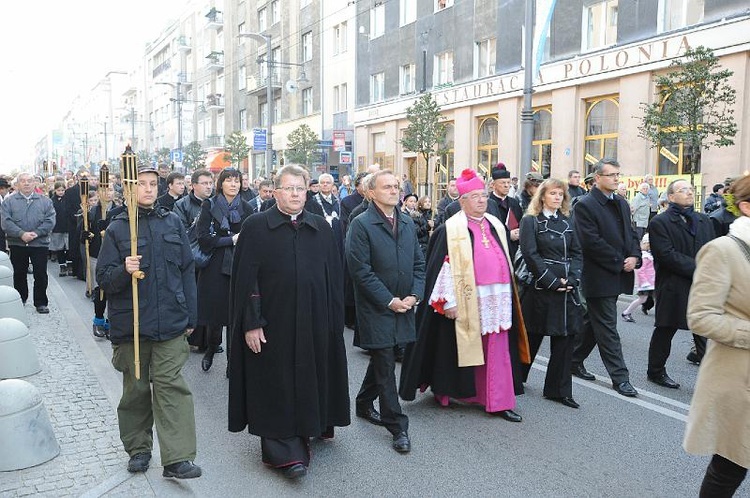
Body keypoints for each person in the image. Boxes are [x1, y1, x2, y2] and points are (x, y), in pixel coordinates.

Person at [228, 164, 350, 479]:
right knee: (276, 383)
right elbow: (246, 281)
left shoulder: (320, 228)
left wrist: (334, 322)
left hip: (313, 321)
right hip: (273, 323)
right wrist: (252, 322)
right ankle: (284, 449)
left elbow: (334, 278)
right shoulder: (256, 226)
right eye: (288, 188)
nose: (295, 194)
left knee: (310, 374)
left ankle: (310, 426)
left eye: (300, 188)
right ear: (276, 191)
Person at [96, 163, 201, 479]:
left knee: (172, 387)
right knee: (137, 391)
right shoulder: (117, 229)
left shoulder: (172, 223)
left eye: (153, 183)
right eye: (141, 183)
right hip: (132, 327)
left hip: (170, 321)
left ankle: (177, 458)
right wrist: (123, 270)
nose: (149, 188)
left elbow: (186, 270)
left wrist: (191, 316)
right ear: (129, 189)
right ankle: (139, 449)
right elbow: (103, 279)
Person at [400, 168, 530, 422]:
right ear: (462, 201)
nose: (482, 200)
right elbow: (441, 267)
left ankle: (497, 399)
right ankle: (448, 390)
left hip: (498, 299)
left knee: (497, 348)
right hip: (465, 300)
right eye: (475, 196)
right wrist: (448, 301)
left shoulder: (495, 224)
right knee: (453, 347)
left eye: (483, 195)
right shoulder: (450, 229)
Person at [347, 170, 425, 453]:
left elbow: (418, 262)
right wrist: (389, 300)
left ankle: (363, 402)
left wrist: (415, 294)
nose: (394, 191)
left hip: (405, 304)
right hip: (376, 307)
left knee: (386, 354)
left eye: (397, 186)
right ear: (371, 192)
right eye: (387, 187)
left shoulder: (406, 221)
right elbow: (360, 271)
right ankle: (397, 426)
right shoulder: (361, 224)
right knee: (385, 360)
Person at [683, 175, 750, 497]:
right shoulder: (723, 250)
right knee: (730, 467)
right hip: (739, 377)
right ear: (746, 207)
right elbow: (700, 317)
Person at [570, 159, 641, 397]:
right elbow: (590, 241)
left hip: (616, 271)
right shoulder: (585, 205)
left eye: (618, 175)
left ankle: (572, 360)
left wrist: (634, 255)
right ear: (597, 178)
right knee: (608, 328)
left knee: (594, 322)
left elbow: (631, 233)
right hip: (599, 275)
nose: (616, 179)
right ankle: (620, 378)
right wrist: (619, 261)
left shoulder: (620, 202)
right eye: (611, 175)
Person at [519, 178, 583, 409]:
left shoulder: (567, 222)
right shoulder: (530, 221)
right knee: (531, 336)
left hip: (566, 289)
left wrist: (573, 279)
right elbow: (530, 254)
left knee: (565, 338)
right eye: (553, 193)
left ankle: (558, 390)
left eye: (560, 194)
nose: (557, 197)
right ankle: (517, 379)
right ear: (542, 196)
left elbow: (577, 252)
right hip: (541, 288)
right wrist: (551, 281)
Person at [646, 179, 714, 389]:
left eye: (691, 189)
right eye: (683, 190)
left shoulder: (704, 220)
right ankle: (655, 371)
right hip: (673, 284)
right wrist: (699, 268)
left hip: (700, 284)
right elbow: (666, 255)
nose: (689, 193)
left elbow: (712, 248)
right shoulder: (660, 222)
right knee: (666, 328)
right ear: (671, 197)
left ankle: (711, 378)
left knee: (703, 330)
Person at [195, 169, 253, 372]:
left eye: (236, 180)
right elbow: (203, 238)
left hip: (238, 264)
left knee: (235, 315)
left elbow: (251, 237)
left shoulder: (247, 207)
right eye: (228, 180)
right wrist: (230, 240)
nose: (233, 184)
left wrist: (233, 241)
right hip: (214, 265)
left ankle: (232, 361)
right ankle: (211, 349)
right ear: (221, 184)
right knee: (215, 314)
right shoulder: (209, 205)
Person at [0, 173, 56, 313]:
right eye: (23, 181)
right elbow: (6, 222)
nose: (26, 184)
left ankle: (41, 302)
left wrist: (36, 233)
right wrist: (21, 234)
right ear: (17, 184)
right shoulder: (9, 201)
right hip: (18, 243)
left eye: (29, 181)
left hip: (39, 244)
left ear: (34, 183)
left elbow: (50, 221)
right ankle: (20, 299)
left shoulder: (45, 201)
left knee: (40, 273)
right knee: (19, 273)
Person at [81, 184, 124, 338]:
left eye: (111, 190)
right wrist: (87, 234)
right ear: (99, 193)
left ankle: (112, 321)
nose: (108, 193)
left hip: (116, 255)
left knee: (116, 289)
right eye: (104, 190)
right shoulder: (92, 212)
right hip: (97, 253)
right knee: (101, 289)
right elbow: (83, 232)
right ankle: (98, 319)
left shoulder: (120, 211)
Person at [488, 163, 523, 258]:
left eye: (508, 183)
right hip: (495, 251)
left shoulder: (514, 202)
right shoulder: (487, 204)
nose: (506, 186)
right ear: (493, 185)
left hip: (514, 249)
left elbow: (520, 221)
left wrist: (520, 232)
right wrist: (508, 236)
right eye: (503, 183)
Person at [620, 233, 655, 323]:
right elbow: (641, 271)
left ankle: (627, 312)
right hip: (646, 283)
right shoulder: (645, 256)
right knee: (642, 299)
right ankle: (626, 312)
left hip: (651, 282)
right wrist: (644, 282)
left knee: (645, 299)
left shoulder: (649, 255)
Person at [50, 181, 71, 277]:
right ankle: (62, 266)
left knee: (69, 247)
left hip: (67, 226)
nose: (61, 192)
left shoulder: (68, 199)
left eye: (63, 190)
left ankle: (70, 264)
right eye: (59, 190)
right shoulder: (52, 201)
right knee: (60, 248)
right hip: (57, 227)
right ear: (55, 190)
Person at [401, 193, 429, 257]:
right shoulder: (402, 214)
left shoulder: (419, 214)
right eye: (411, 201)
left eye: (415, 201)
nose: (413, 203)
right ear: (405, 202)